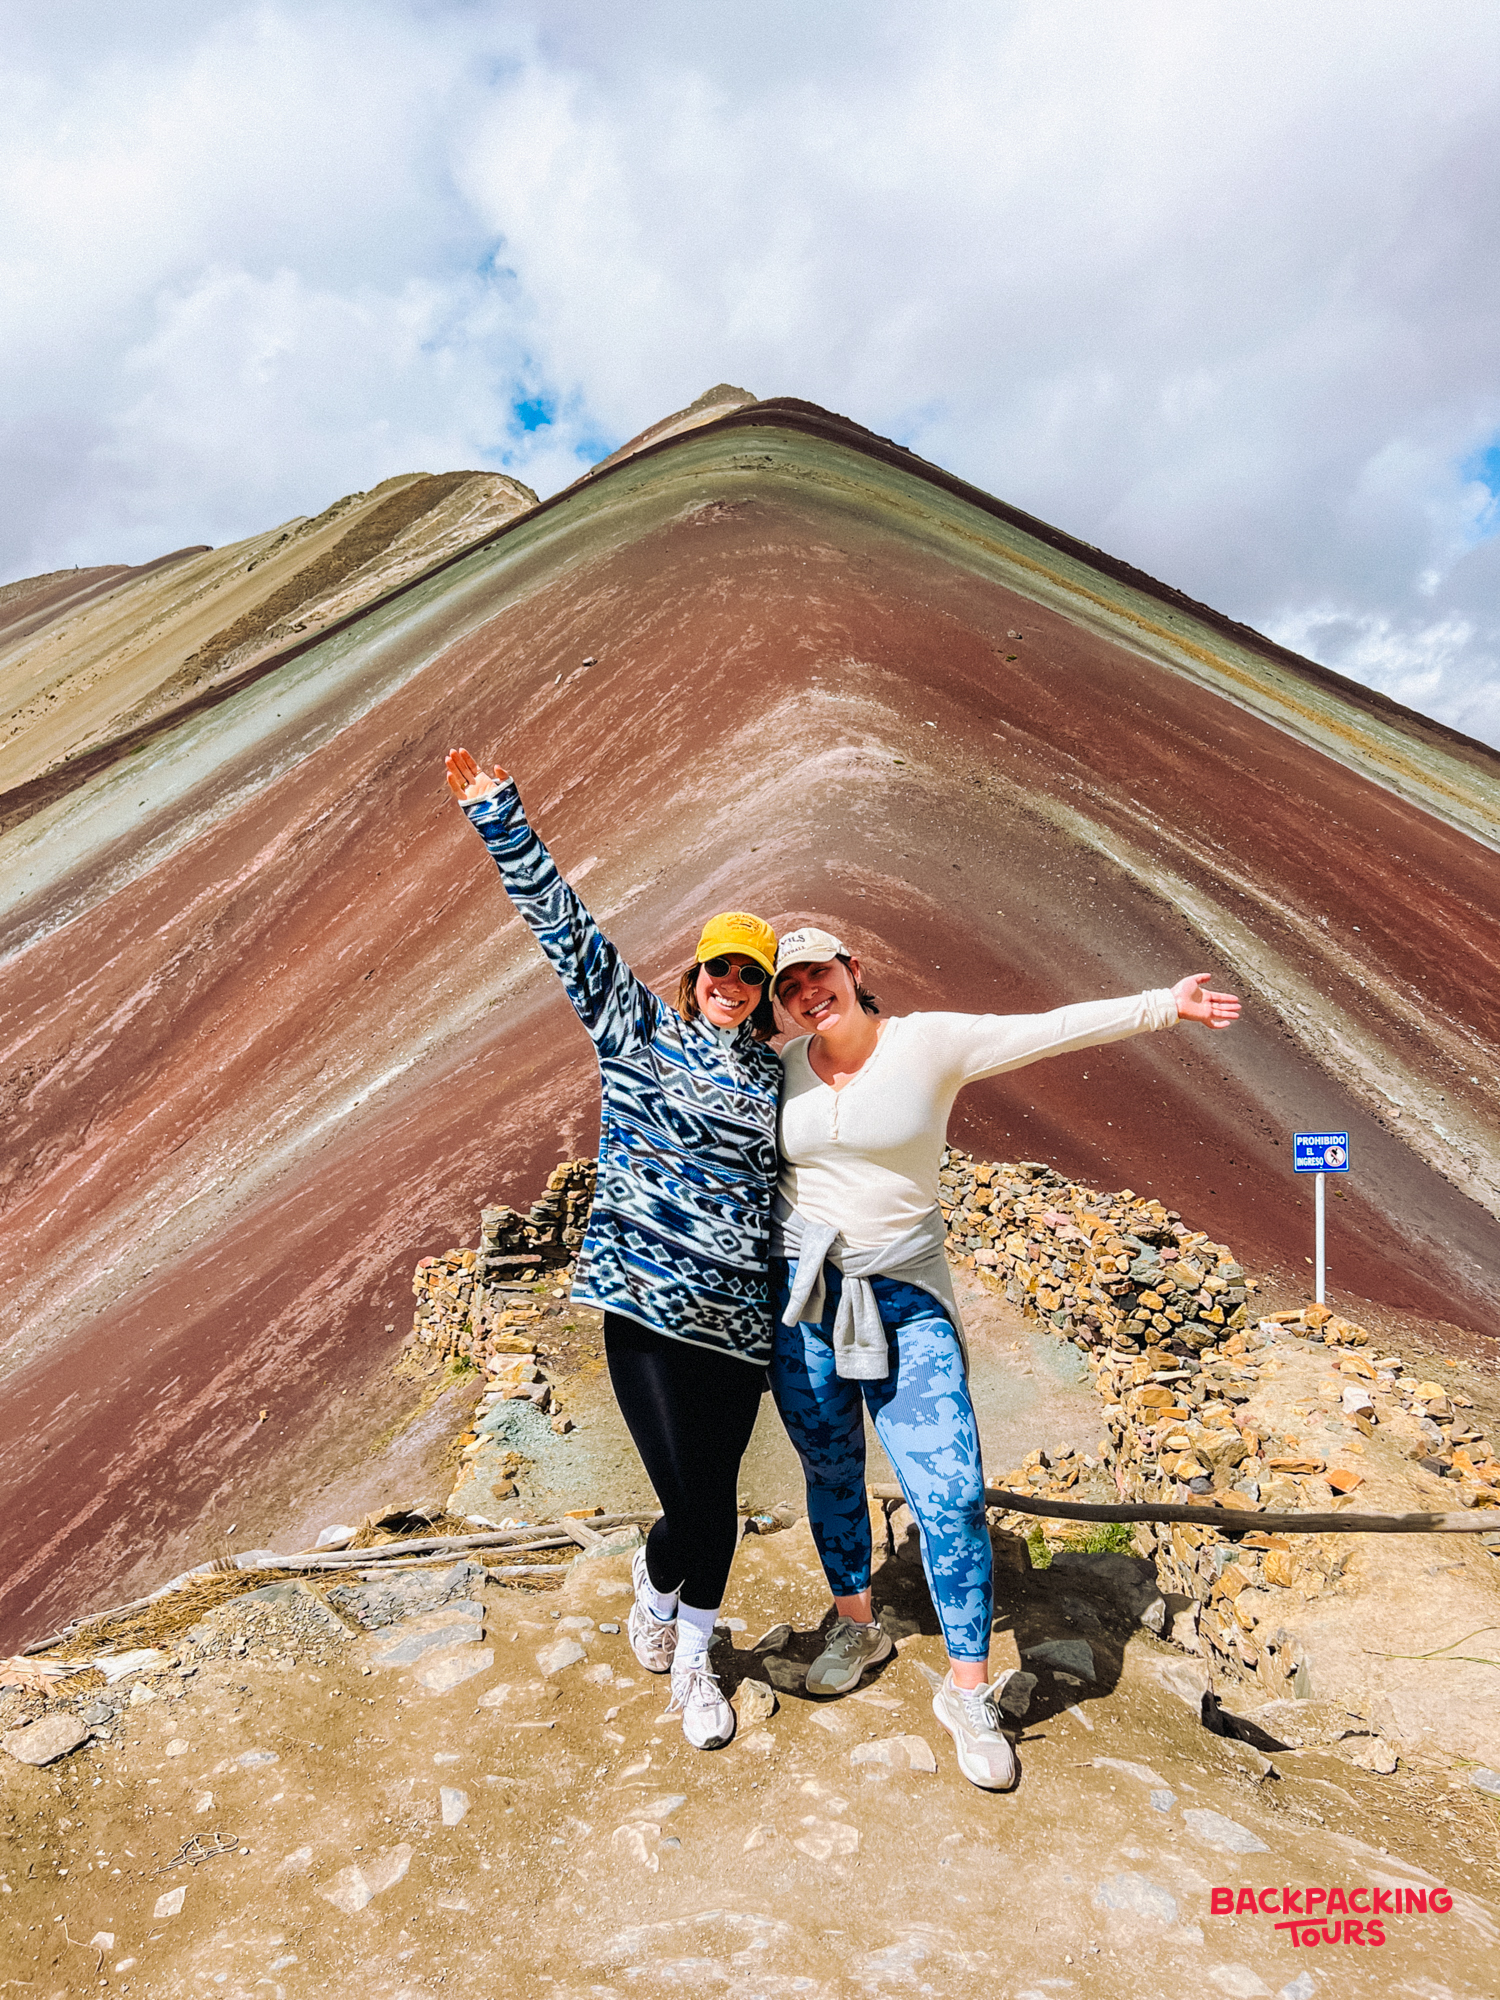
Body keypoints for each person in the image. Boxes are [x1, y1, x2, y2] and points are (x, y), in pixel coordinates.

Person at [767, 927, 1241, 1790]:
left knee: (950, 1496)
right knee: (829, 1468)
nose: (808, 991)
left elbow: (1047, 1029)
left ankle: (967, 1689)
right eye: (790, 982)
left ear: (853, 970)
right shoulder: (782, 1064)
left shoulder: (928, 1044)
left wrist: (1163, 1007)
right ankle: (856, 1621)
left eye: (819, 972)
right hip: (806, 1303)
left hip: (906, 1299)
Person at [445, 748, 783, 1751]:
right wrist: (500, 817)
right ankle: (684, 1649)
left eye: (751, 974)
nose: (732, 983)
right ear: (696, 972)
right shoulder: (636, 1031)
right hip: (644, 1310)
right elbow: (568, 932)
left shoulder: (778, 1077)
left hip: (738, 1330)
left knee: (713, 1507)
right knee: (694, 1502)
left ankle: (679, 1627)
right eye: (720, 967)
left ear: (765, 990)